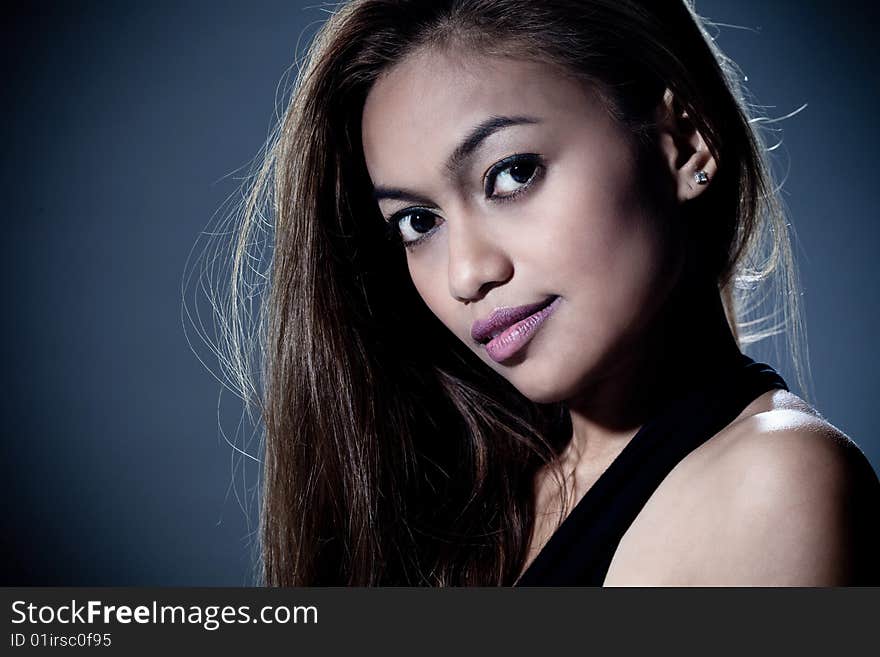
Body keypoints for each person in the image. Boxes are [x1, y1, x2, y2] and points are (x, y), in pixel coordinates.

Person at [215, 0, 880, 585]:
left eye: (511, 173)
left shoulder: (770, 484)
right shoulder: (474, 497)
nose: (466, 273)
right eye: (419, 222)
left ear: (683, 141)